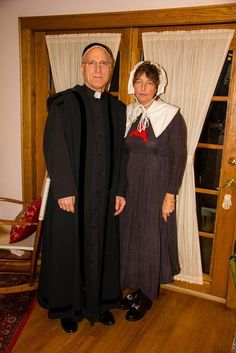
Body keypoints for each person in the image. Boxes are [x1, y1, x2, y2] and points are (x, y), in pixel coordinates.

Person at [38, 43, 126, 333]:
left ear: (110, 69)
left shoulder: (117, 109)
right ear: (82, 67)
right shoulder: (64, 103)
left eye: (104, 63)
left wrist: (120, 190)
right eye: (92, 63)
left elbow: (121, 154)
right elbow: (54, 146)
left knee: (102, 247)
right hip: (72, 194)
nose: (98, 69)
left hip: (103, 195)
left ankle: (99, 305)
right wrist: (64, 188)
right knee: (69, 250)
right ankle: (69, 308)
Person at [119, 61, 187, 321]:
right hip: (130, 185)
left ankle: (146, 295)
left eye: (148, 82)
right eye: (139, 82)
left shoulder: (171, 116)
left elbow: (179, 158)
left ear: (158, 87)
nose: (143, 87)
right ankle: (134, 289)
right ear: (132, 85)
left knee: (149, 239)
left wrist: (170, 195)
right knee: (130, 237)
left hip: (156, 187)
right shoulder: (129, 113)